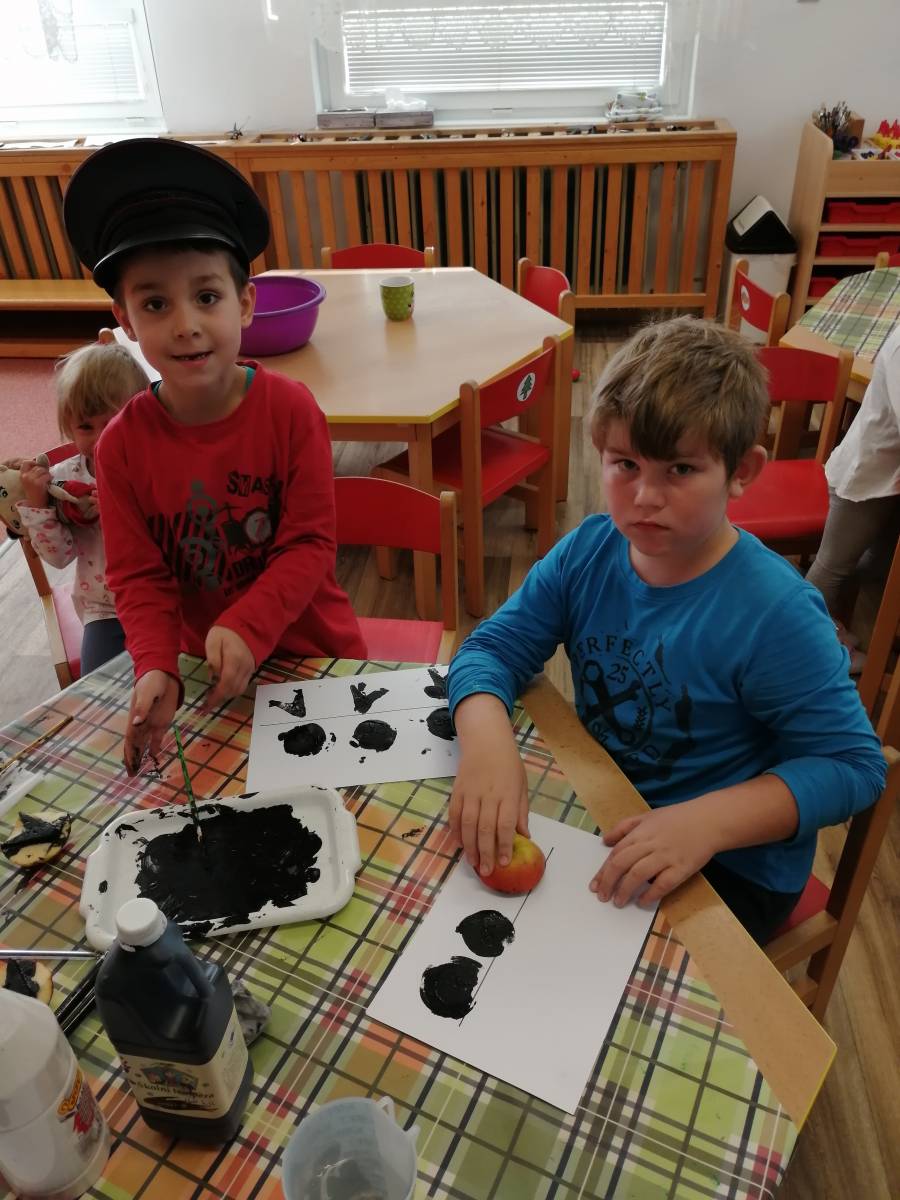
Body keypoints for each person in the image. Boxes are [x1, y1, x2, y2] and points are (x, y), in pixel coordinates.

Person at [446, 317, 886, 945]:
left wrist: (706, 824)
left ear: (742, 470)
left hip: (732, 862)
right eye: (625, 464)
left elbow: (853, 767)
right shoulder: (587, 552)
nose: (645, 496)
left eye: (680, 469)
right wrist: (488, 745)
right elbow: (491, 648)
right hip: (609, 803)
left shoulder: (776, 613)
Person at [62, 137, 365, 774]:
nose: (185, 324)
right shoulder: (121, 448)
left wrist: (250, 623)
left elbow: (309, 543)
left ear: (244, 303)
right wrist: (155, 663)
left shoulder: (291, 411)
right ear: (125, 319)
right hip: (211, 673)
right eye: (155, 304)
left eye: (206, 296)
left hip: (314, 655)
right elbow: (138, 578)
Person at [14, 342, 149, 675]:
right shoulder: (64, 481)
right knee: (96, 692)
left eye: (114, 421)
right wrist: (39, 505)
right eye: (86, 427)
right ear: (69, 428)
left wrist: (126, 511)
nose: (102, 437)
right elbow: (60, 557)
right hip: (105, 609)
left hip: (168, 600)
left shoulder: (157, 468)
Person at [805, 325, 900, 665]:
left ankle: (848, 634)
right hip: (864, 478)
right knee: (832, 567)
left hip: (889, 479)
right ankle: (810, 649)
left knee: (878, 564)